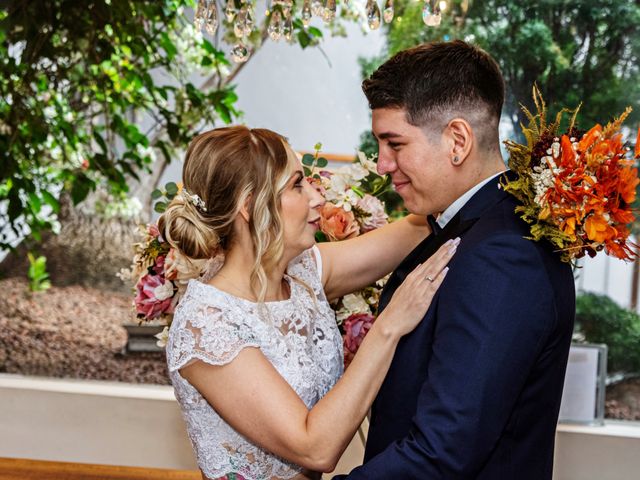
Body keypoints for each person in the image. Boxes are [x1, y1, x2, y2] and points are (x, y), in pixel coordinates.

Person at [160, 126, 458, 480]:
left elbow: (413, 230)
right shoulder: (206, 325)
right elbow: (314, 447)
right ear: (250, 206)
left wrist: (474, 178)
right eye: (297, 185)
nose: (318, 198)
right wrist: (390, 326)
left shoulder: (302, 275)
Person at [336, 40, 576, 479]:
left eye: (394, 143)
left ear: (458, 140)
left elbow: (442, 450)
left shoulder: (502, 254)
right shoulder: (470, 228)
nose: (382, 164)